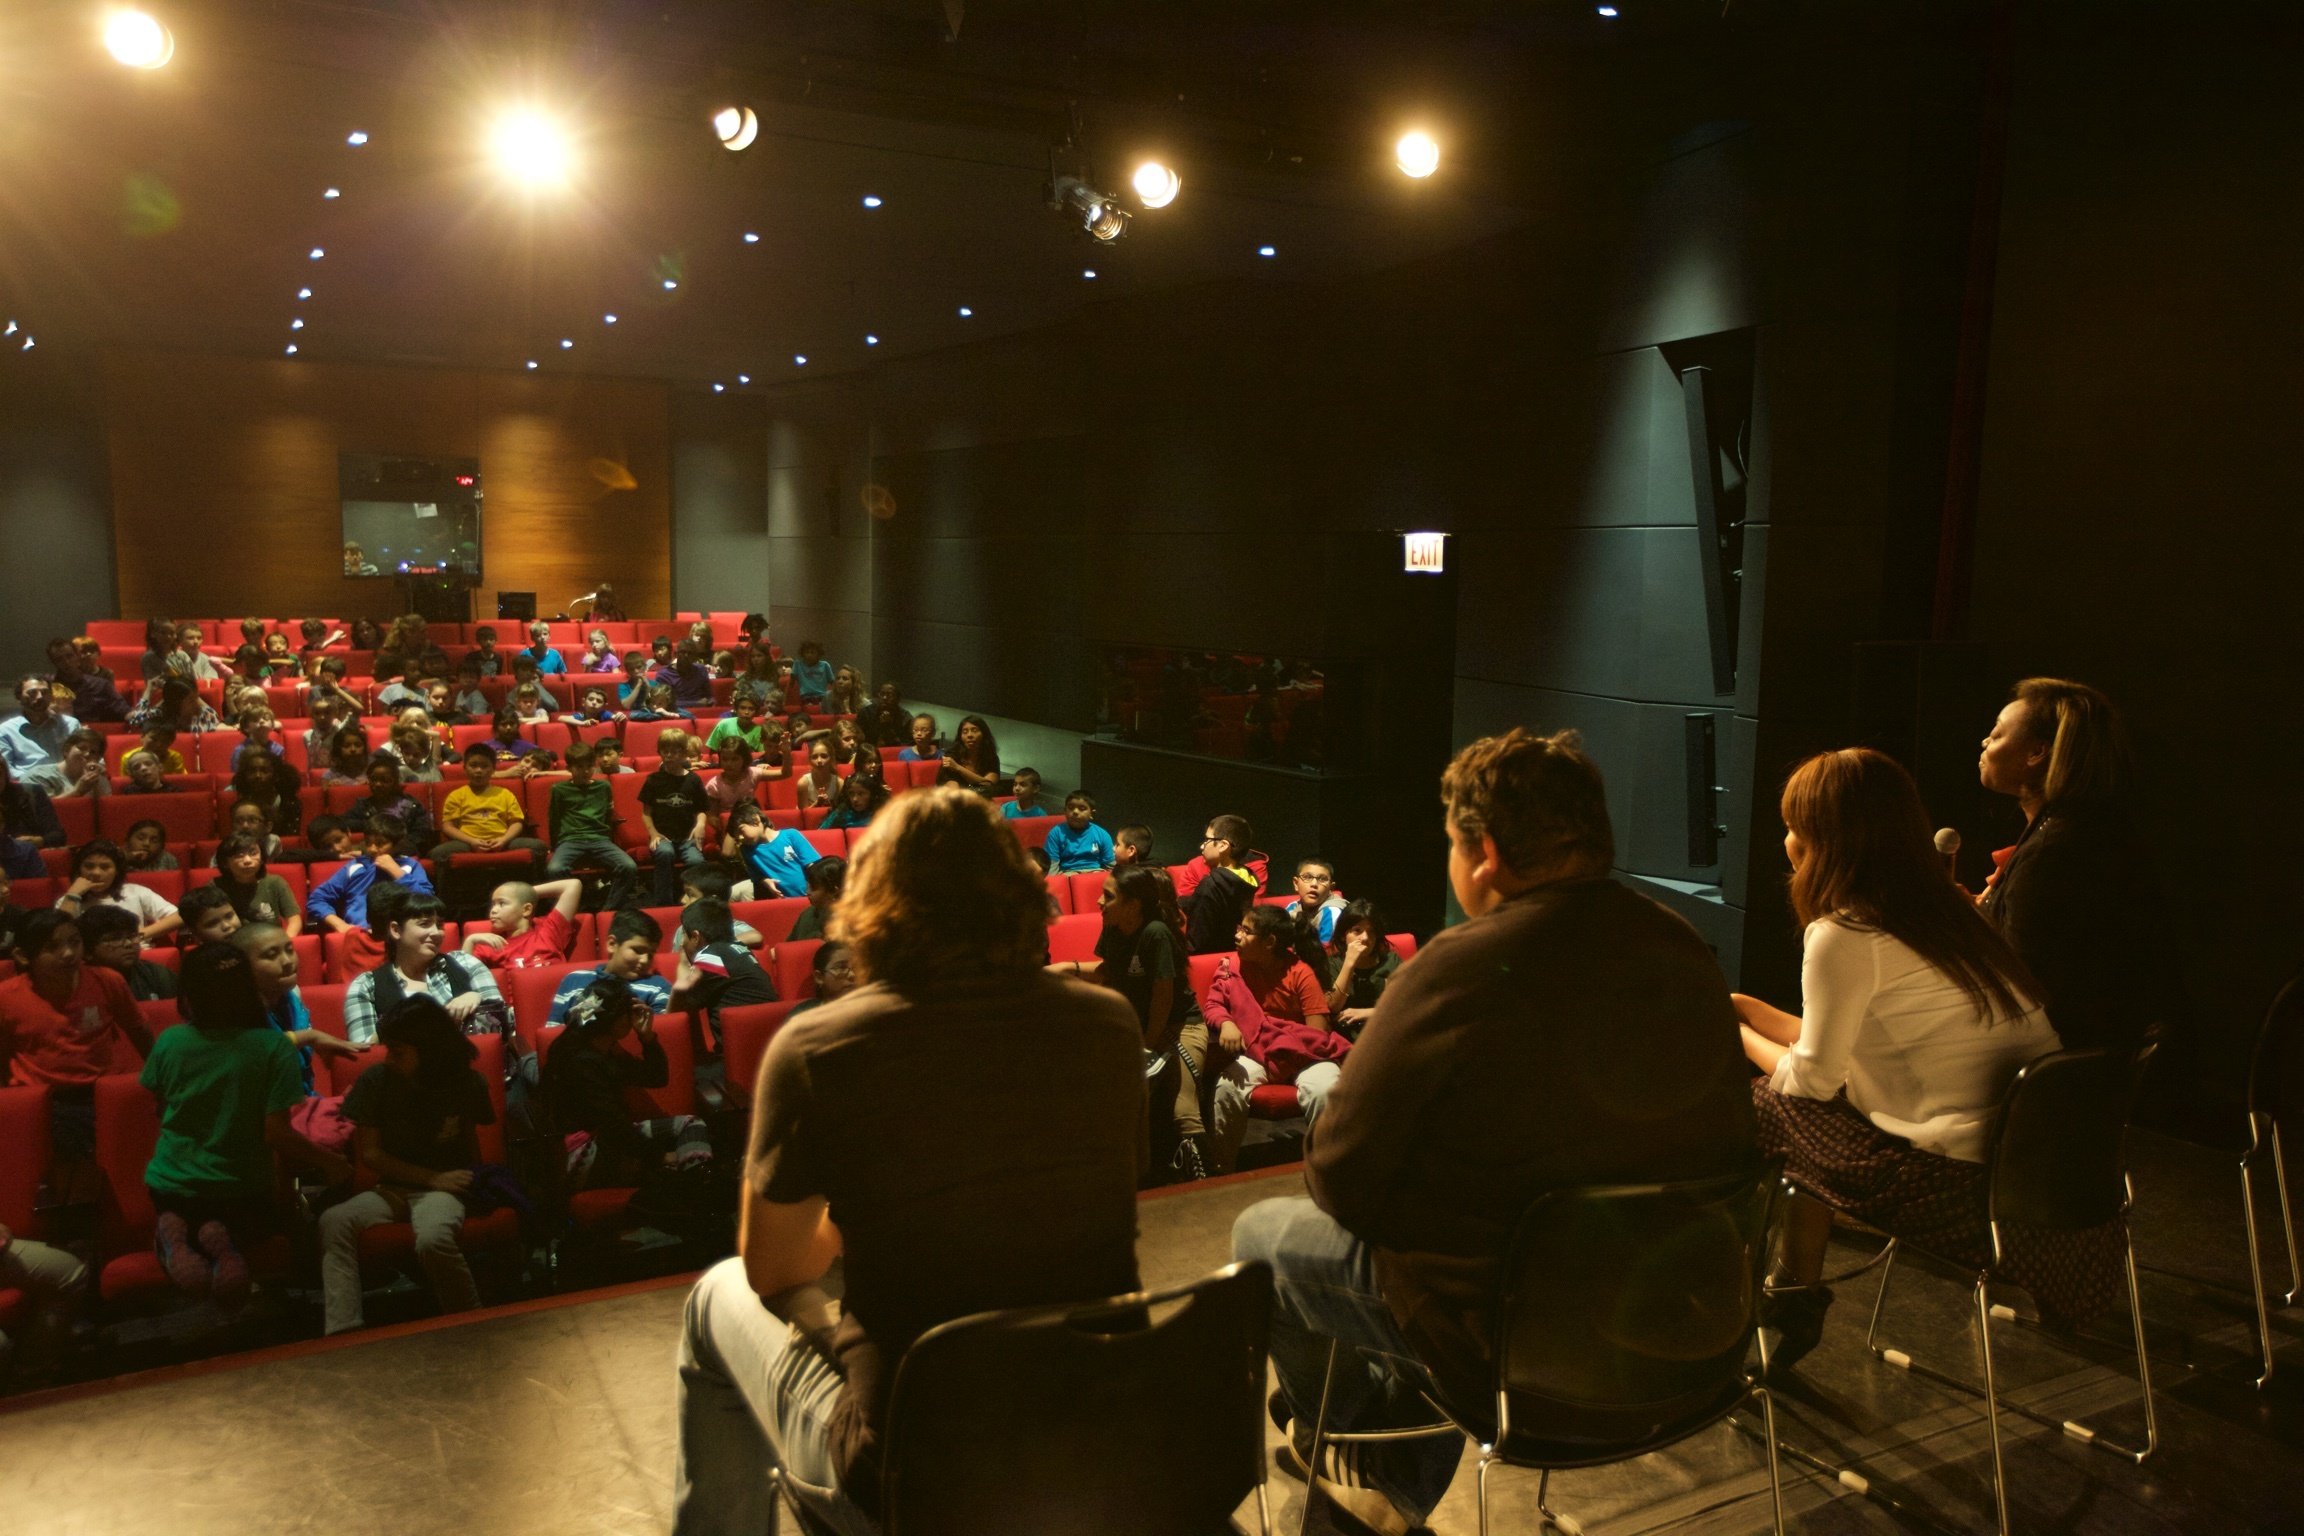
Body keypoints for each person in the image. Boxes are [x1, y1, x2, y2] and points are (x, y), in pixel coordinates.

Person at [1231, 728, 1759, 1535]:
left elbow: (1335, 1175)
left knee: (1262, 1235)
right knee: (1455, 1262)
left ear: (1482, 853)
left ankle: (1350, 1451)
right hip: (1696, 1337)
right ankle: (1386, 1480)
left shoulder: (1459, 966)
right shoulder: (1682, 947)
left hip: (1526, 1355)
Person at [672, 787, 1144, 1536]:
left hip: (921, 1483)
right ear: (1024, 894)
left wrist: (874, 1187)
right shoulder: (1110, 1024)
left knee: (717, 1296)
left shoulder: (817, 1048)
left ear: (872, 906)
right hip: (1102, 1450)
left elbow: (775, 1270)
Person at [1735, 747, 2067, 1365]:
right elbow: (1856, 1044)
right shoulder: (1949, 912)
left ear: (1821, 841)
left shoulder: (1843, 932)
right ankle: (1788, 1287)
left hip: (1960, 1188)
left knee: (1765, 1107)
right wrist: (1748, 1009)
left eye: (1793, 827)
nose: (1785, 840)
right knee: (1786, 1102)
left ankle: (1768, 1294)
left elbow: (1810, 1081)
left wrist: (1732, 1032)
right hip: (2044, 1170)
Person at [139, 943, 351, 1312]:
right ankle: (221, 1237)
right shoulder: (271, 1048)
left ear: (189, 995)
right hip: (241, 1189)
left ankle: (179, 1230)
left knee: (190, 1213)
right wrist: (333, 1163)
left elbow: (160, 1108)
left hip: (170, 1183)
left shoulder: (170, 1040)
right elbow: (277, 1135)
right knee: (261, 1226)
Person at [1975, 677, 2180, 1058]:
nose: (1985, 743)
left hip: (2055, 1069)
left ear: (2037, 753)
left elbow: (2024, 992)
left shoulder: (2052, 854)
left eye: (1998, 734)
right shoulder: (2078, 829)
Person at [318, 994, 493, 1333]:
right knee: (334, 1220)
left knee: (432, 1238)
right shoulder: (376, 1082)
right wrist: (431, 1178)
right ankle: (343, 1328)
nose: (389, 1058)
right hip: (395, 1187)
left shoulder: (465, 1082)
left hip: (446, 1186)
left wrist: (475, 1185)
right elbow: (371, 1155)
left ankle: (469, 1322)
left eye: (398, 1051)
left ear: (429, 1051)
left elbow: (471, 1141)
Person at [1, 910, 157, 1200]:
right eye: (53, 947)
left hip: (99, 1094)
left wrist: (163, 1082)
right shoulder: (6, 997)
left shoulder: (107, 981)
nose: (69, 953)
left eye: (74, 942)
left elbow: (140, 1034)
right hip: (44, 1101)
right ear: (23, 956)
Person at [1082, 865, 1212, 1180]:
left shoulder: (1156, 933)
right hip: (1139, 1027)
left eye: (1109, 896)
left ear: (1134, 904)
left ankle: (1205, 1185)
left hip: (1179, 1025)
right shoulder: (1112, 926)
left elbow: (1162, 999)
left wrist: (1147, 1047)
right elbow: (1109, 977)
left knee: (1184, 1112)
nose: (1100, 902)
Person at [543, 975, 712, 1192]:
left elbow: (656, 1078)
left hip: (610, 1138)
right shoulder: (581, 1061)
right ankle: (697, 1188)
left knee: (691, 1124)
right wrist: (659, 1156)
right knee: (668, 1169)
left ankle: (696, 1184)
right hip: (582, 1154)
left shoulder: (604, 1048)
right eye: (629, 1013)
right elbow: (612, 1124)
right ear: (614, 1019)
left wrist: (647, 1038)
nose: (633, 1019)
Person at [342, 889, 502, 1046]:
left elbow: (500, 1029)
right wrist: (409, 1020)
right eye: (424, 924)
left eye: (439, 925)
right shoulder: (366, 985)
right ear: (396, 930)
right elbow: (365, 1054)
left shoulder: (465, 963)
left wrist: (477, 997)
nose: (436, 933)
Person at [231, 919, 363, 1101]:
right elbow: (253, 1053)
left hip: (300, 1100)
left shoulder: (289, 998)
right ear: (243, 966)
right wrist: (309, 1037)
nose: (287, 961)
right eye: (271, 955)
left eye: (290, 950)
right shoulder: (233, 1011)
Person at [542, 740, 637, 908]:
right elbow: (554, 819)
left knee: (628, 866)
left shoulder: (603, 787)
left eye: (589, 766)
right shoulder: (559, 789)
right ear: (569, 768)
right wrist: (555, 845)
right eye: (579, 767)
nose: (586, 771)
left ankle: (608, 910)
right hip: (570, 839)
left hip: (599, 839)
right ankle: (568, 908)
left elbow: (608, 815)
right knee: (554, 869)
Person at [432, 744, 548, 881]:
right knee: (438, 853)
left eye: (484, 766)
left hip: (502, 841)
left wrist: (503, 840)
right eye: (473, 765)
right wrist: (472, 841)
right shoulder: (456, 795)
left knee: (539, 847)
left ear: (493, 769)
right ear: (464, 768)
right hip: (468, 843)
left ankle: (538, 895)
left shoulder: (505, 794)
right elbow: (448, 826)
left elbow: (516, 823)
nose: (479, 771)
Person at [547, 908, 674, 1023]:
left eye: (651, 955)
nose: (645, 960)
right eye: (638, 951)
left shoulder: (658, 988)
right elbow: (554, 1032)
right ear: (612, 944)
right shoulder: (574, 980)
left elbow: (660, 1034)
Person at [58, 838, 181, 942]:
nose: (96, 873)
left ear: (116, 871)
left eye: (105, 867)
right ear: (79, 869)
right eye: (89, 866)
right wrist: (73, 894)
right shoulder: (69, 900)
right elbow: (60, 934)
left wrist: (139, 935)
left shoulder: (135, 892)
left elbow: (179, 916)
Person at [640, 729, 711, 904]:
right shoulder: (653, 780)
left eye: (676, 751)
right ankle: (664, 902)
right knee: (664, 853)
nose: (670, 755)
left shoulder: (693, 780)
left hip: (688, 836)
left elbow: (701, 809)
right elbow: (646, 812)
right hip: (663, 836)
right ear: (660, 752)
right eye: (666, 751)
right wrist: (654, 834)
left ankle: (696, 901)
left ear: (684, 753)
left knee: (696, 860)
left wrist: (700, 825)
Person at [462, 877, 583, 971]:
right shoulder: (489, 945)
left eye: (502, 903)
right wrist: (470, 940)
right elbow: (461, 979)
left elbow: (573, 885)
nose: (493, 910)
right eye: (493, 904)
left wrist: (524, 893)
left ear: (526, 910)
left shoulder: (549, 931)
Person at [1182, 814, 1257, 953]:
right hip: (1232, 956)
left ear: (1223, 845)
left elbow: (1196, 943)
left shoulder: (1210, 885)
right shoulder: (1247, 878)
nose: (1202, 846)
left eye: (1207, 840)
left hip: (1207, 962)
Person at [1324, 901, 1399, 1035]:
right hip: (1345, 1037)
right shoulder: (1332, 963)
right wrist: (1349, 963)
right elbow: (1333, 1007)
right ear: (1343, 936)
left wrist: (1367, 1013)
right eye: (1357, 931)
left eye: (1371, 932)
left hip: (1384, 1033)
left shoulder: (1390, 961)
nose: (1365, 938)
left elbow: (1405, 1005)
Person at [80, 901, 178, 1002]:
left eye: (132, 936)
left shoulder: (157, 974)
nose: (128, 944)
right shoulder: (79, 985)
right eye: (115, 938)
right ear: (87, 952)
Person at [211, 833, 302, 934]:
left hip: (271, 943)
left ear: (262, 858)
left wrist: (284, 944)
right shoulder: (214, 887)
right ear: (225, 862)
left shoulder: (275, 883)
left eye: (253, 853)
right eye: (239, 855)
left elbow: (294, 920)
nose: (247, 860)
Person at [728, 805, 820, 899]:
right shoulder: (746, 850)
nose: (740, 838)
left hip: (809, 897)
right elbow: (756, 876)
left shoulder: (791, 835)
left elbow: (813, 865)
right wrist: (765, 881)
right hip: (782, 901)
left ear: (756, 820)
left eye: (741, 831)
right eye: (736, 836)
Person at [0, 676, 80, 779]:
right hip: (27, 786)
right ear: (19, 697)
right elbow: (6, 769)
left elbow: (84, 757)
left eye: (45, 692)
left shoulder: (70, 724)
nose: (39, 697)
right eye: (32, 692)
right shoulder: (5, 730)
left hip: (66, 781)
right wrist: (36, 780)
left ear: (51, 696)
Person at [355, 755, 434, 853]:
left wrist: (394, 847)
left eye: (385, 780)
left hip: (405, 852)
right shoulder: (363, 805)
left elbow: (421, 833)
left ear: (395, 782)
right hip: (373, 850)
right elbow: (346, 824)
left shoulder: (411, 805)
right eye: (374, 780)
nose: (378, 784)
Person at [49, 639, 130, 725]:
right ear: (53, 662)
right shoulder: (47, 687)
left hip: (91, 734)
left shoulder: (100, 685)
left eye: (69, 656)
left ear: (78, 656)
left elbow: (124, 710)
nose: (66, 662)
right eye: (59, 659)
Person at [229, 751, 303, 841]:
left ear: (276, 776)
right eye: (252, 771)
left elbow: (291, 839)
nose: (258, 775)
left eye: (264, 771)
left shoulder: (290, 803)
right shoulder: (241, 807)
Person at [2, 758, 68, 852]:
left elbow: (58, 836)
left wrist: (38, 841)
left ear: (6, 775)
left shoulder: (31, 793)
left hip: (29, 858)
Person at [1041, 791, 1116, 873]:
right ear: (1065, 811)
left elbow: (1111, 866)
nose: (1075, 812)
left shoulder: (1102, 834)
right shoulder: (1056, 833)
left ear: (1092, 814)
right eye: (1070, 807)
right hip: (1068, 874)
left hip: (1094, 873)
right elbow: (1051, 867)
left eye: (1082, 808)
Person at [935, 715, 1003, 796]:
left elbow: (988, 784)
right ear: (960, 736)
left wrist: (958, 768)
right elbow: (949, 784)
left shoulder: (991, 757)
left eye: (974, 730)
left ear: (984, 734)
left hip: (981, 799)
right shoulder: (952, 756)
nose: (969, 735)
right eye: (965, 732)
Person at [785, 941, 857, 1016]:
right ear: (819, 977)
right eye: (841, 968)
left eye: (856, 967)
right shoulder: (803, 1014)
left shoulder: (866, 1010)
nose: (852, 975)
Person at [1287, 858, 1349, 945]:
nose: (1314, 884)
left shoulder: (1332, 912)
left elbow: (1325, 953)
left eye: (1322, 879)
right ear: (1296, 884)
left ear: (1331, 888)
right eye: (1307, 877)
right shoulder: (1292, 907)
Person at [705, 738, 764, 821]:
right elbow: (712, 816)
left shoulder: (752, 773)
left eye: (734, 759)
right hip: (728, 824)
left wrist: (786, 752)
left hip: (751, 819)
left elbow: (784, 773)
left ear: (744, 759)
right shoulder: (714, 785)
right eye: (725, 759)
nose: (729, 764)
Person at [788, 856, 845, 941]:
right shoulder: (807, 915)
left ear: (834, 891)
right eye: (808, 886)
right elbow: (790, 946)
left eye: (813, 888)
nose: (807, 892)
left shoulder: (857, 920)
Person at [853, 679, 911, 751]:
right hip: (868, 753)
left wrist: (888, 728)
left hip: (896, 754)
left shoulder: (905, 718)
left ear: (898, 699)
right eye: (882, 694)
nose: (884, 698)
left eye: (889, 695)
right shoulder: (866, 713)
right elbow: (857, 738)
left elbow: (907, 745)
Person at [705, 693, 770, 756]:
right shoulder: (723, 725)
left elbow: (761, 755)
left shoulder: (759, 731)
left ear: (756, 712)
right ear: (736, 709)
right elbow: (713, 753)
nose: (746, 712)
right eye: (742, 708)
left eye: (751, 709)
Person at [819, 771, 883, 831]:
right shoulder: (840, 813)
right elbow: (820, 834)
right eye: (851, 793)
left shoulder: (883, 815)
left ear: (872, 794)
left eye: (861, 794)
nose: (855, 799)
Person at [792, 738, 842, 813]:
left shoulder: (839, 783)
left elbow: (840, 812)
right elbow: (802, 815)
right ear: (809, 760)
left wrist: (829, 805)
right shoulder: (803, 783)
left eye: (824, 756)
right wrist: (817, 804)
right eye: (814, 757)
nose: (819, 761)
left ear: (831, 758)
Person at [789, 641, 835, 706]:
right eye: (807, 652)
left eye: (812, 652)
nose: (809, 655)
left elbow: (832, 682)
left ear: (818, 654)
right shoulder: (797, 664)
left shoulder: (825, 665)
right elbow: (791, 682)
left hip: (822, 697)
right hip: (806, 697)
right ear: (803, 654)